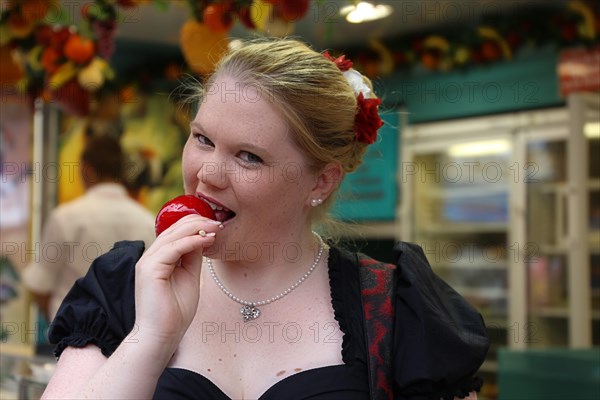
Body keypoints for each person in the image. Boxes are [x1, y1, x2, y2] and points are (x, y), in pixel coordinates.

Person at [41, 38, 488, 400]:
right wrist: (151, 338)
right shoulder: (123, 286)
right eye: (202, 138)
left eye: (249, 156)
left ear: (321, 183)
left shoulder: (395, 312)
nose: (207, 173)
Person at [22, 134, 156, 322]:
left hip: (70, 336)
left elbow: (39, 286)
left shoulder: (65, 218)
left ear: (87, 169)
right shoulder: (147, 221)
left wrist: (59, 322)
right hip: (126, 339)